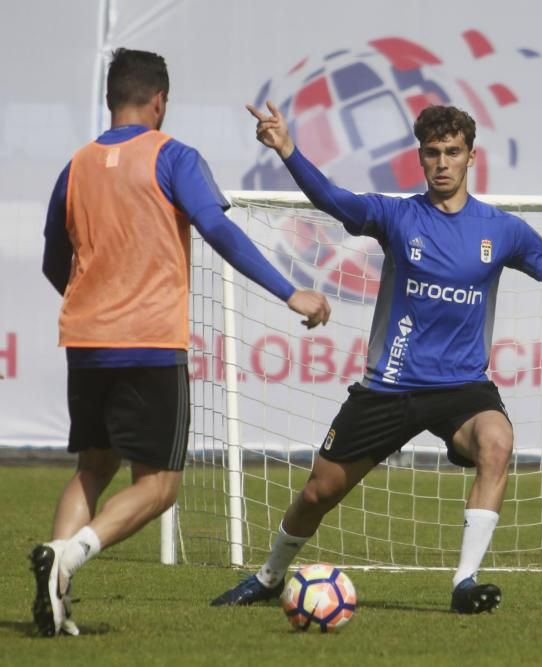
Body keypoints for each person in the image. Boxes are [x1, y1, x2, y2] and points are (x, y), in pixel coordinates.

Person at [209, 102, 542, 613]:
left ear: (471, 156)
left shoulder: (502, 231)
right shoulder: (397, 215)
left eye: (453, 152)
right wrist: (287, 149)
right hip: (390, 387)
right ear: (419, 158)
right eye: (432, 153)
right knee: (318, 493)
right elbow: (334, 200)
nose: (443, 162)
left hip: (461, 388)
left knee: (497, 443)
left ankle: (465, 583)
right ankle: (270, 576)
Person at [33, 48, 331, 637]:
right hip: (147, 342)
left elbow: (52, 261)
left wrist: (95, 297)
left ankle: (54, 587)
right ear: (160, 101)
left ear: (110, 98)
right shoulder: (173, 157)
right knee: (161, 486)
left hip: (86, 342)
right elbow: (217, 227)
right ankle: (64, 558)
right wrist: (288, 291)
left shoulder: (75, 166)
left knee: (92, 468)